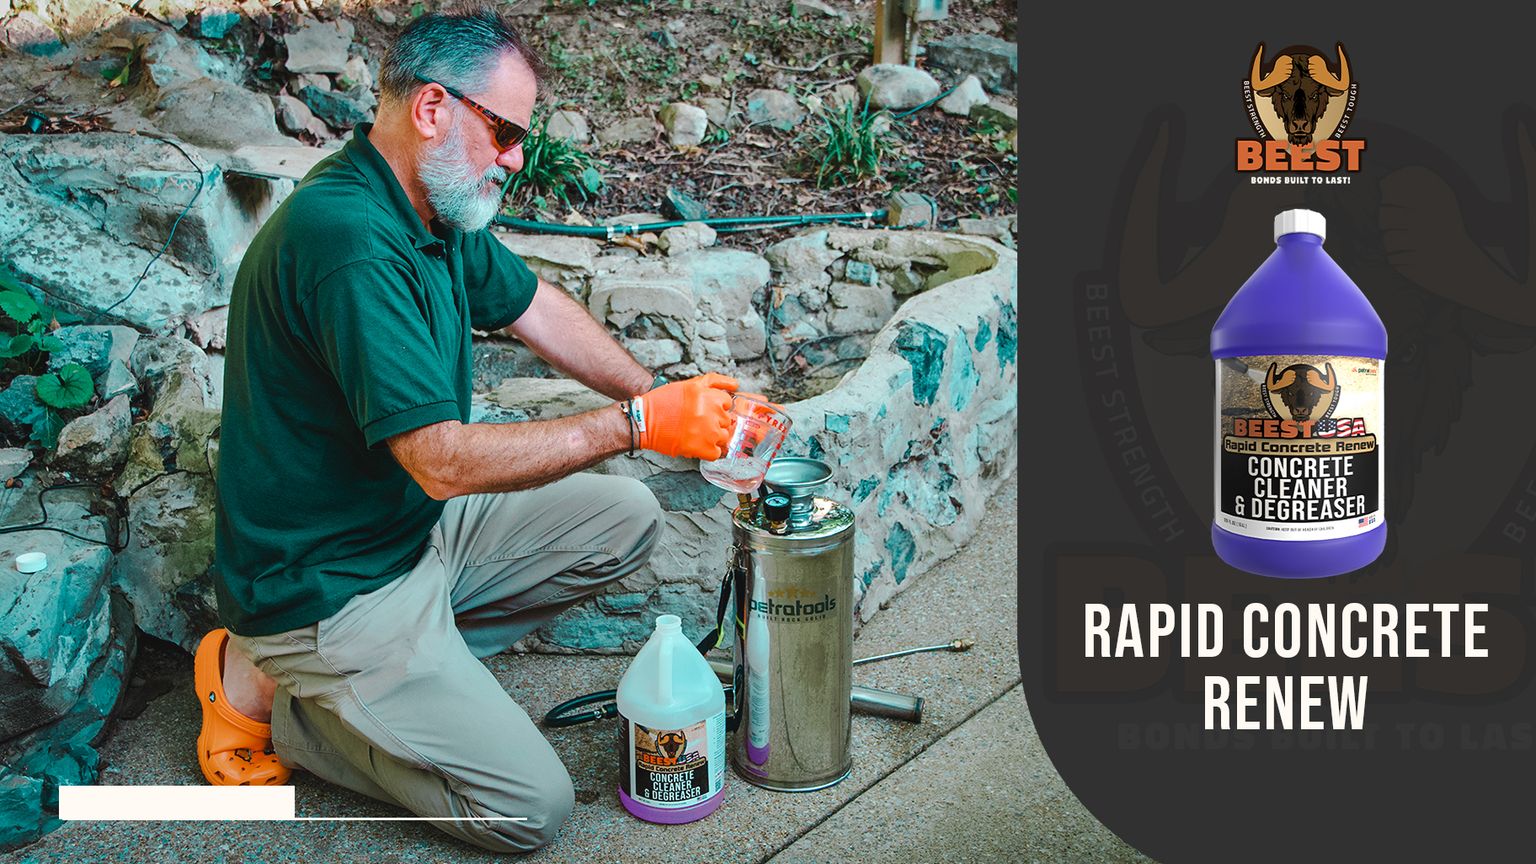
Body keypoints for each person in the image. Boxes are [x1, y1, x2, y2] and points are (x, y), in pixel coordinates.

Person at [196, 6, 741, 853]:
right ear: (432, 109)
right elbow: (442, 463)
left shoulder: (429, 207)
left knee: (627, 519)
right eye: (507, 132)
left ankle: (403, 683)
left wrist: (660, 396)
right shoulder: (348, 242)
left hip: (409, 536)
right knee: (531, 811)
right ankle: (291, 704)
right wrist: (636, 425)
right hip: (329, 589)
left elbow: (535, 308)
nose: (517, 157)